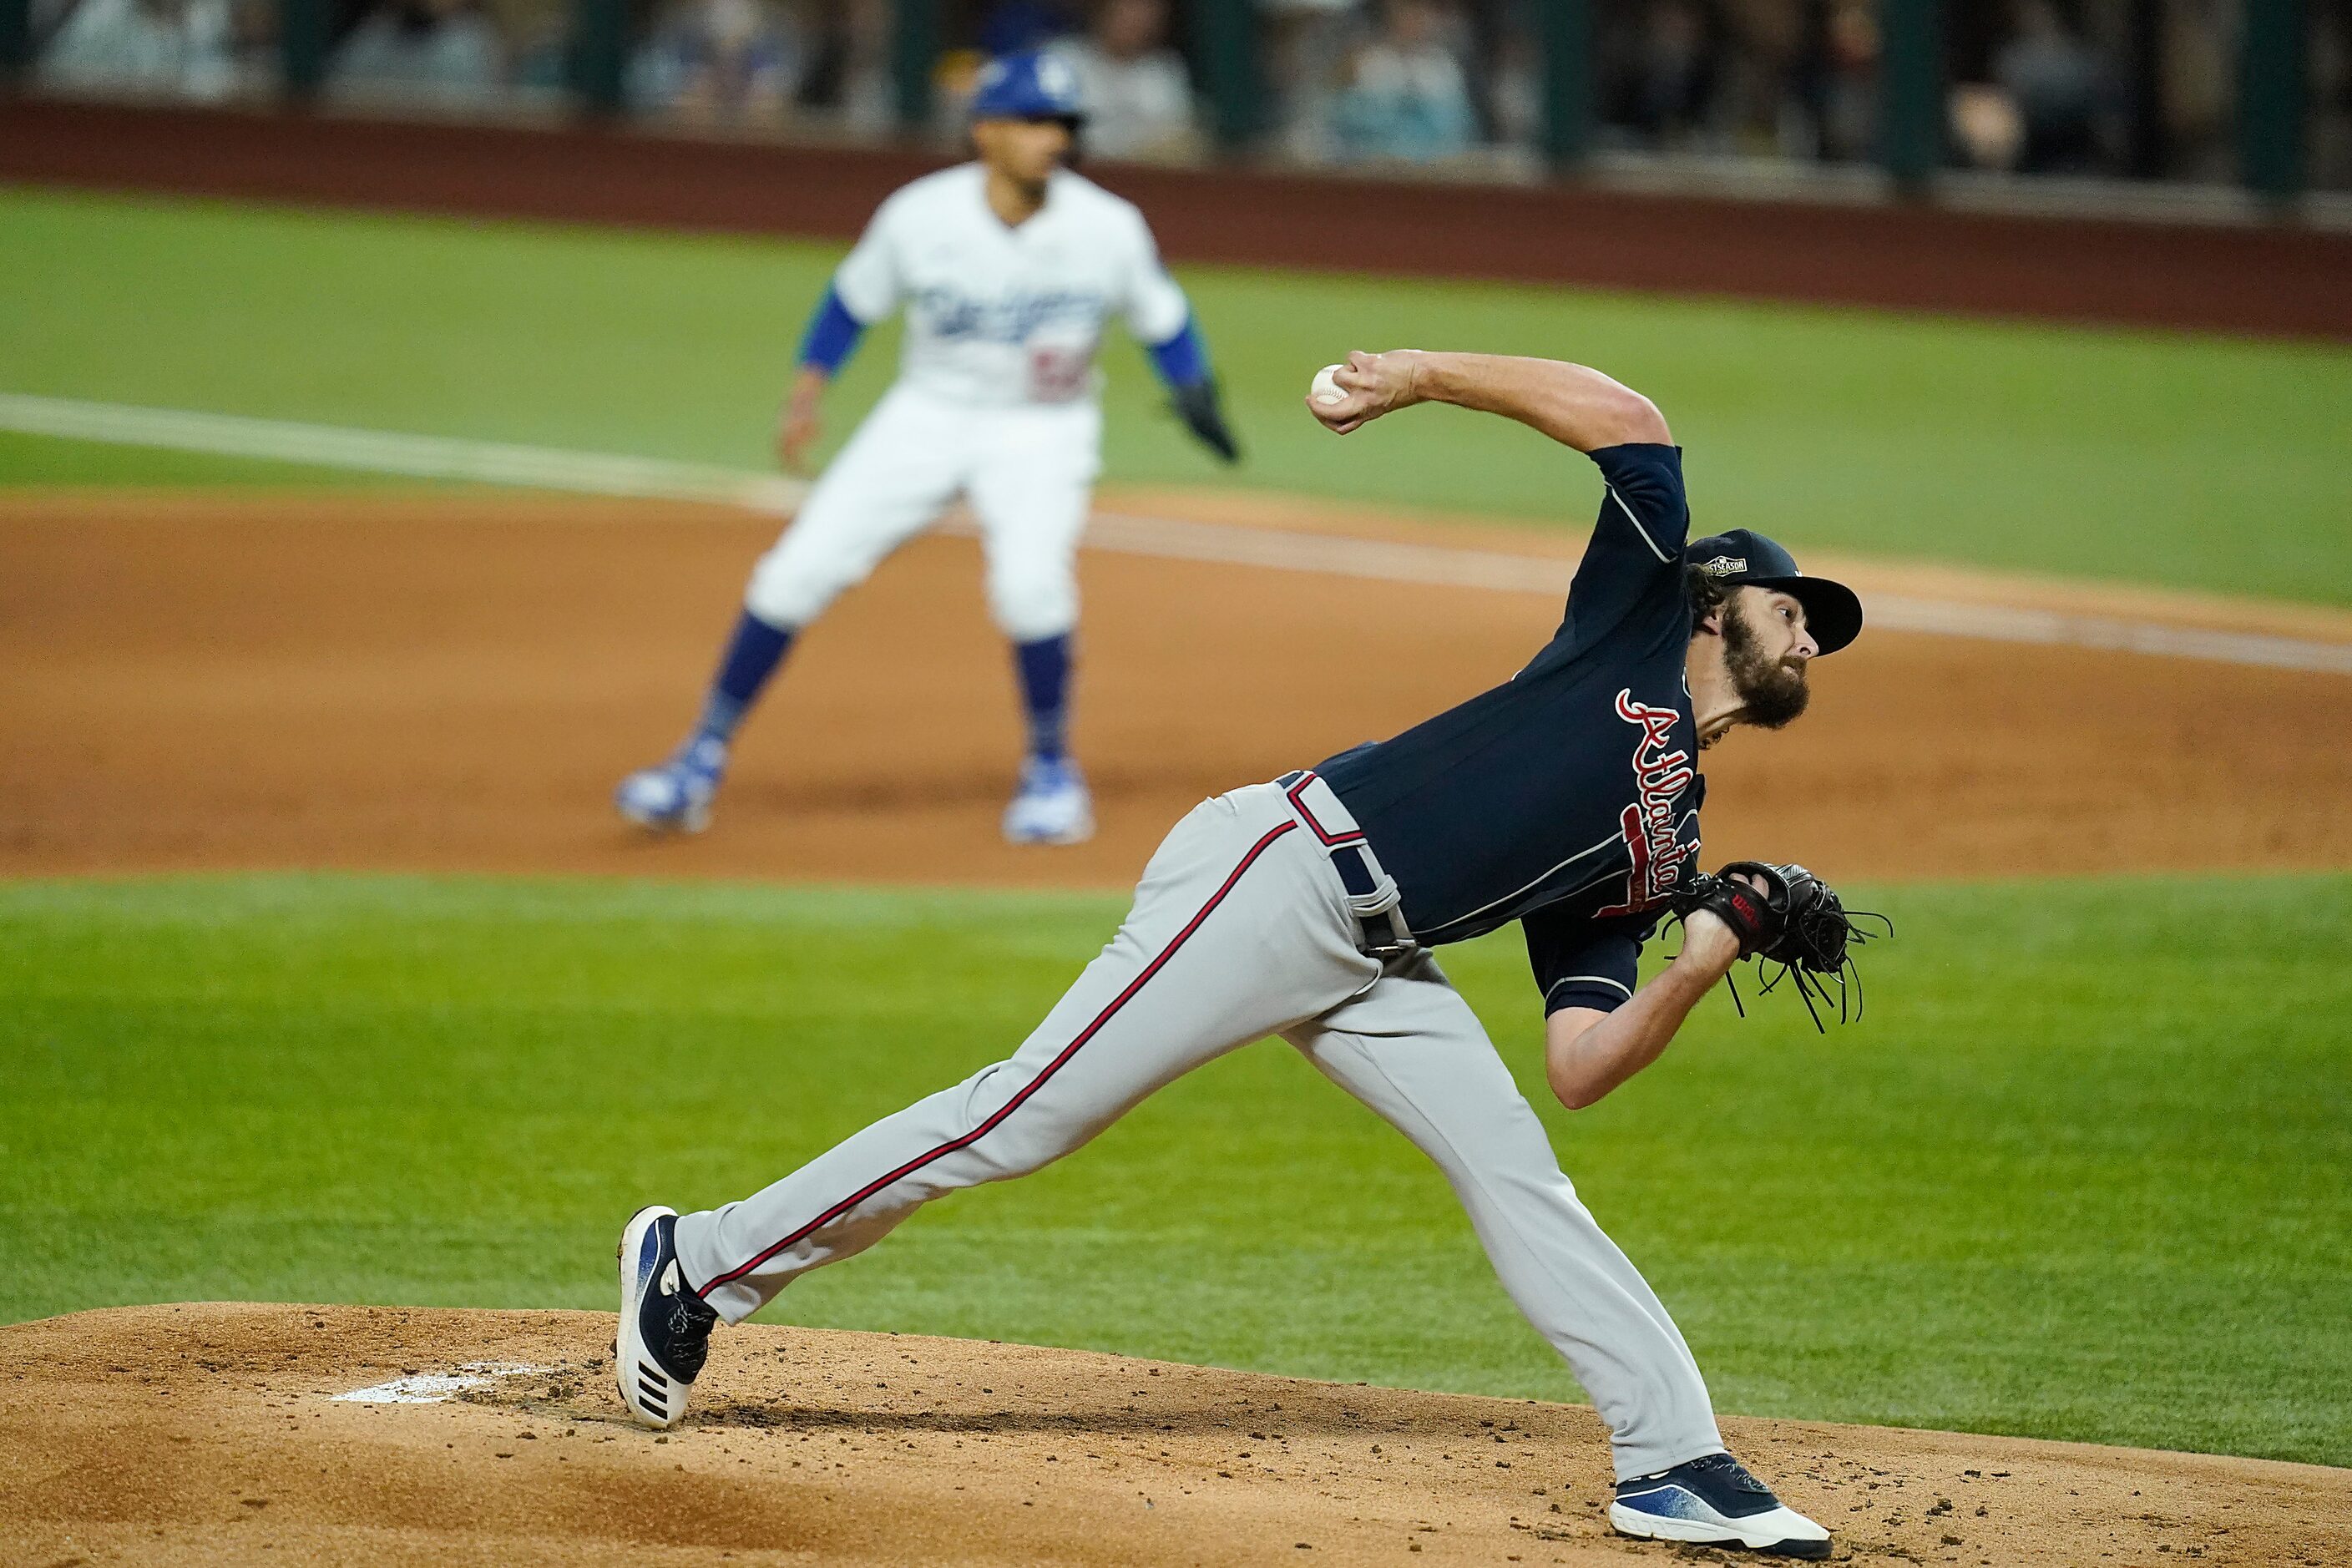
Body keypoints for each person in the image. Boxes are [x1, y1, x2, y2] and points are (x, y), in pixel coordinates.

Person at [614, 347, 1861, 1559]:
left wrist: (1698, 960)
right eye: (1793, 611)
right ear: (1714, 599)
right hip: (1280, 874)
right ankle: (701, 1258)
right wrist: (1417, 374)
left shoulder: (1665, 839)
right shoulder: (1635, 618)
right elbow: (1628, 418)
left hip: (1376, 961)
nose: (1809, 642)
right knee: (1024, 1117)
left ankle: (1671, 1460)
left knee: (1518, 1173)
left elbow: (1580, 1061)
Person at [615, 48, 1239, 846]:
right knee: (792, 574)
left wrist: (1192, 388)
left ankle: (1051, 771)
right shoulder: (921, 214)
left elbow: (1164, 318)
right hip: (927, 414)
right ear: (985, 132)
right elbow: (850, 302)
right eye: (1035, 123)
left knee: (1029, 591)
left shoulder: (1107, 226)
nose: (1054, 139)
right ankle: (696, 760)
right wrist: (809, 390)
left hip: (1041, 429)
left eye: (1064, 125)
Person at [1048, 0, 1199, 163]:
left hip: (1139, 179)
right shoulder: (1061, 60)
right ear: (1102, 11)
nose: (1136, 20)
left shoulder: (1165, 72)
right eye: (1127, 8)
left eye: (1146, 11)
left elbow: (1179, 142)